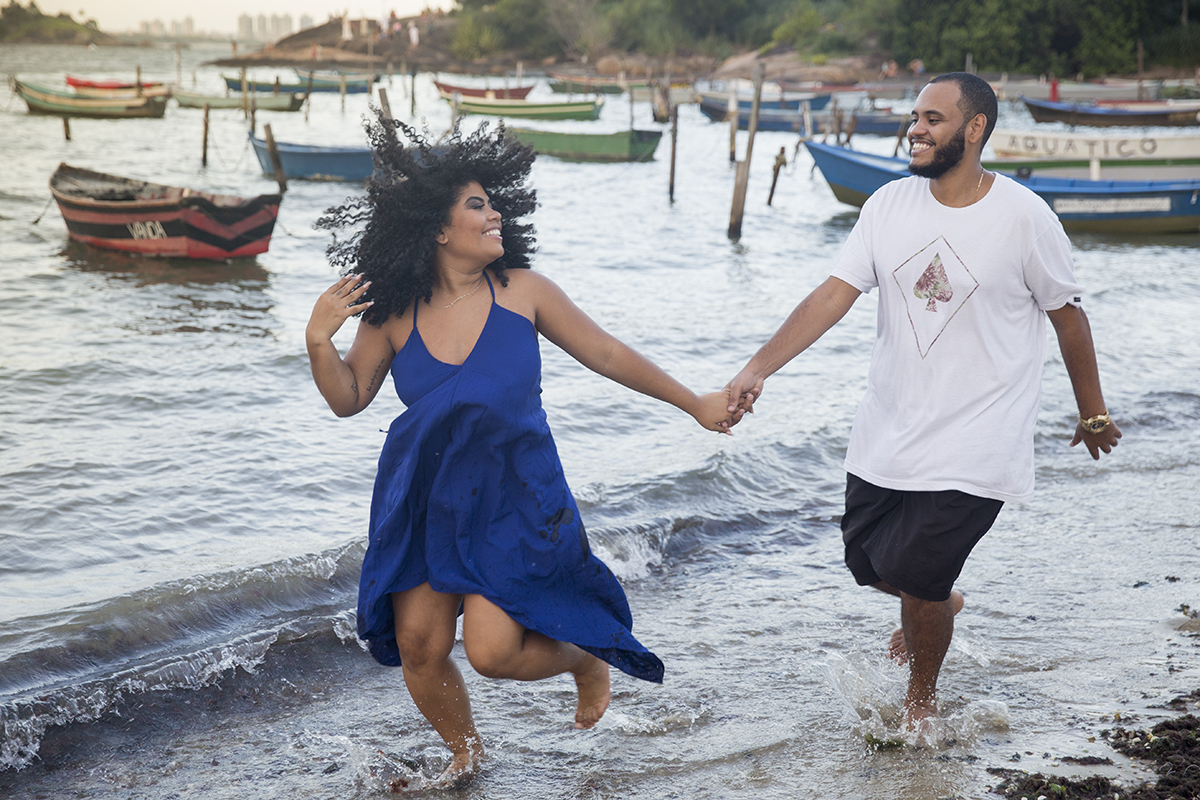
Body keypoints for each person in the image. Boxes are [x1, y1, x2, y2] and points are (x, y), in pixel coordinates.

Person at [306, 115, 732, 786]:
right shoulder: (390, 314)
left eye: (494, 202)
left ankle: (584, 661)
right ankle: (465, 751)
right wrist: (316, 341)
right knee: (419, 643)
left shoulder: (524, 292)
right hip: (426, 497)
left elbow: (608, 354)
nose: (495, 213)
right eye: (478, 204)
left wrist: (697, 404)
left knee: (494, 651)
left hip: (515, 497)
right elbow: (349, 395)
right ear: (439, 230)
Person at [725, 72, 1120, 734]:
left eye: (932, 119)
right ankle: (938, 602)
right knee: (865, 559)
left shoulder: (1024, 216)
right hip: (891, 426)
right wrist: (757, 368)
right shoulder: (886, 206)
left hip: (980, 437)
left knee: (920, 572)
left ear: (974, 129)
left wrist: (1093, 411)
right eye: (915, 117)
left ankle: (921, 700)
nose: (915, 129)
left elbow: (1068, 316)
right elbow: (832, 295)